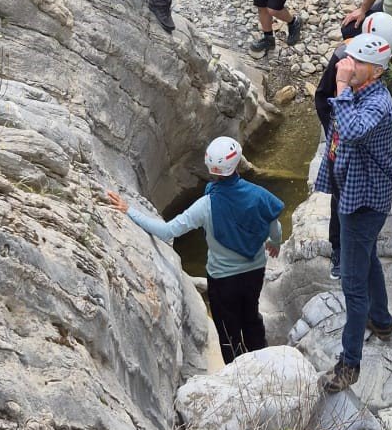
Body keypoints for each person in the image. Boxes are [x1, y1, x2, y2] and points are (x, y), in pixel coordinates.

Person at [104, 137, 283, 364]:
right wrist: (274, 243)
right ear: (237, 164)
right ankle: (264, 364)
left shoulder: (205, 205)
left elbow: (167, 231)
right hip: (254, 272)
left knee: (229, 331)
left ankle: (238, 374)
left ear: (210, 167)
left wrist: (130, 210)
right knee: (251, 318)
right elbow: (275, 225)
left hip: (223, 279)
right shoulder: (258, 194)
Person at [314, 26, 392, 394]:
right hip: (355, 191)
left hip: (365, 200)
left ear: (376, 70)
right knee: (369, 258)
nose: (349, 64)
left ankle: (350, 365)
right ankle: (381, 321)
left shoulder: (377, 101)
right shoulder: (360, 91)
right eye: (351, 58)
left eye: (360, 62)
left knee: (352, 282)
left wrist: (342, 87)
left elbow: (350, 132)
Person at [314, 12, 392, 279]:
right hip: (341, 130)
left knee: (350, 203)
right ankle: (338, 249)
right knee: (340, 198)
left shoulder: (382, 58)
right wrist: (333, 133)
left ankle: (353, 249)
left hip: (359, 131)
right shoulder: (343, 59)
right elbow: (322, 97)